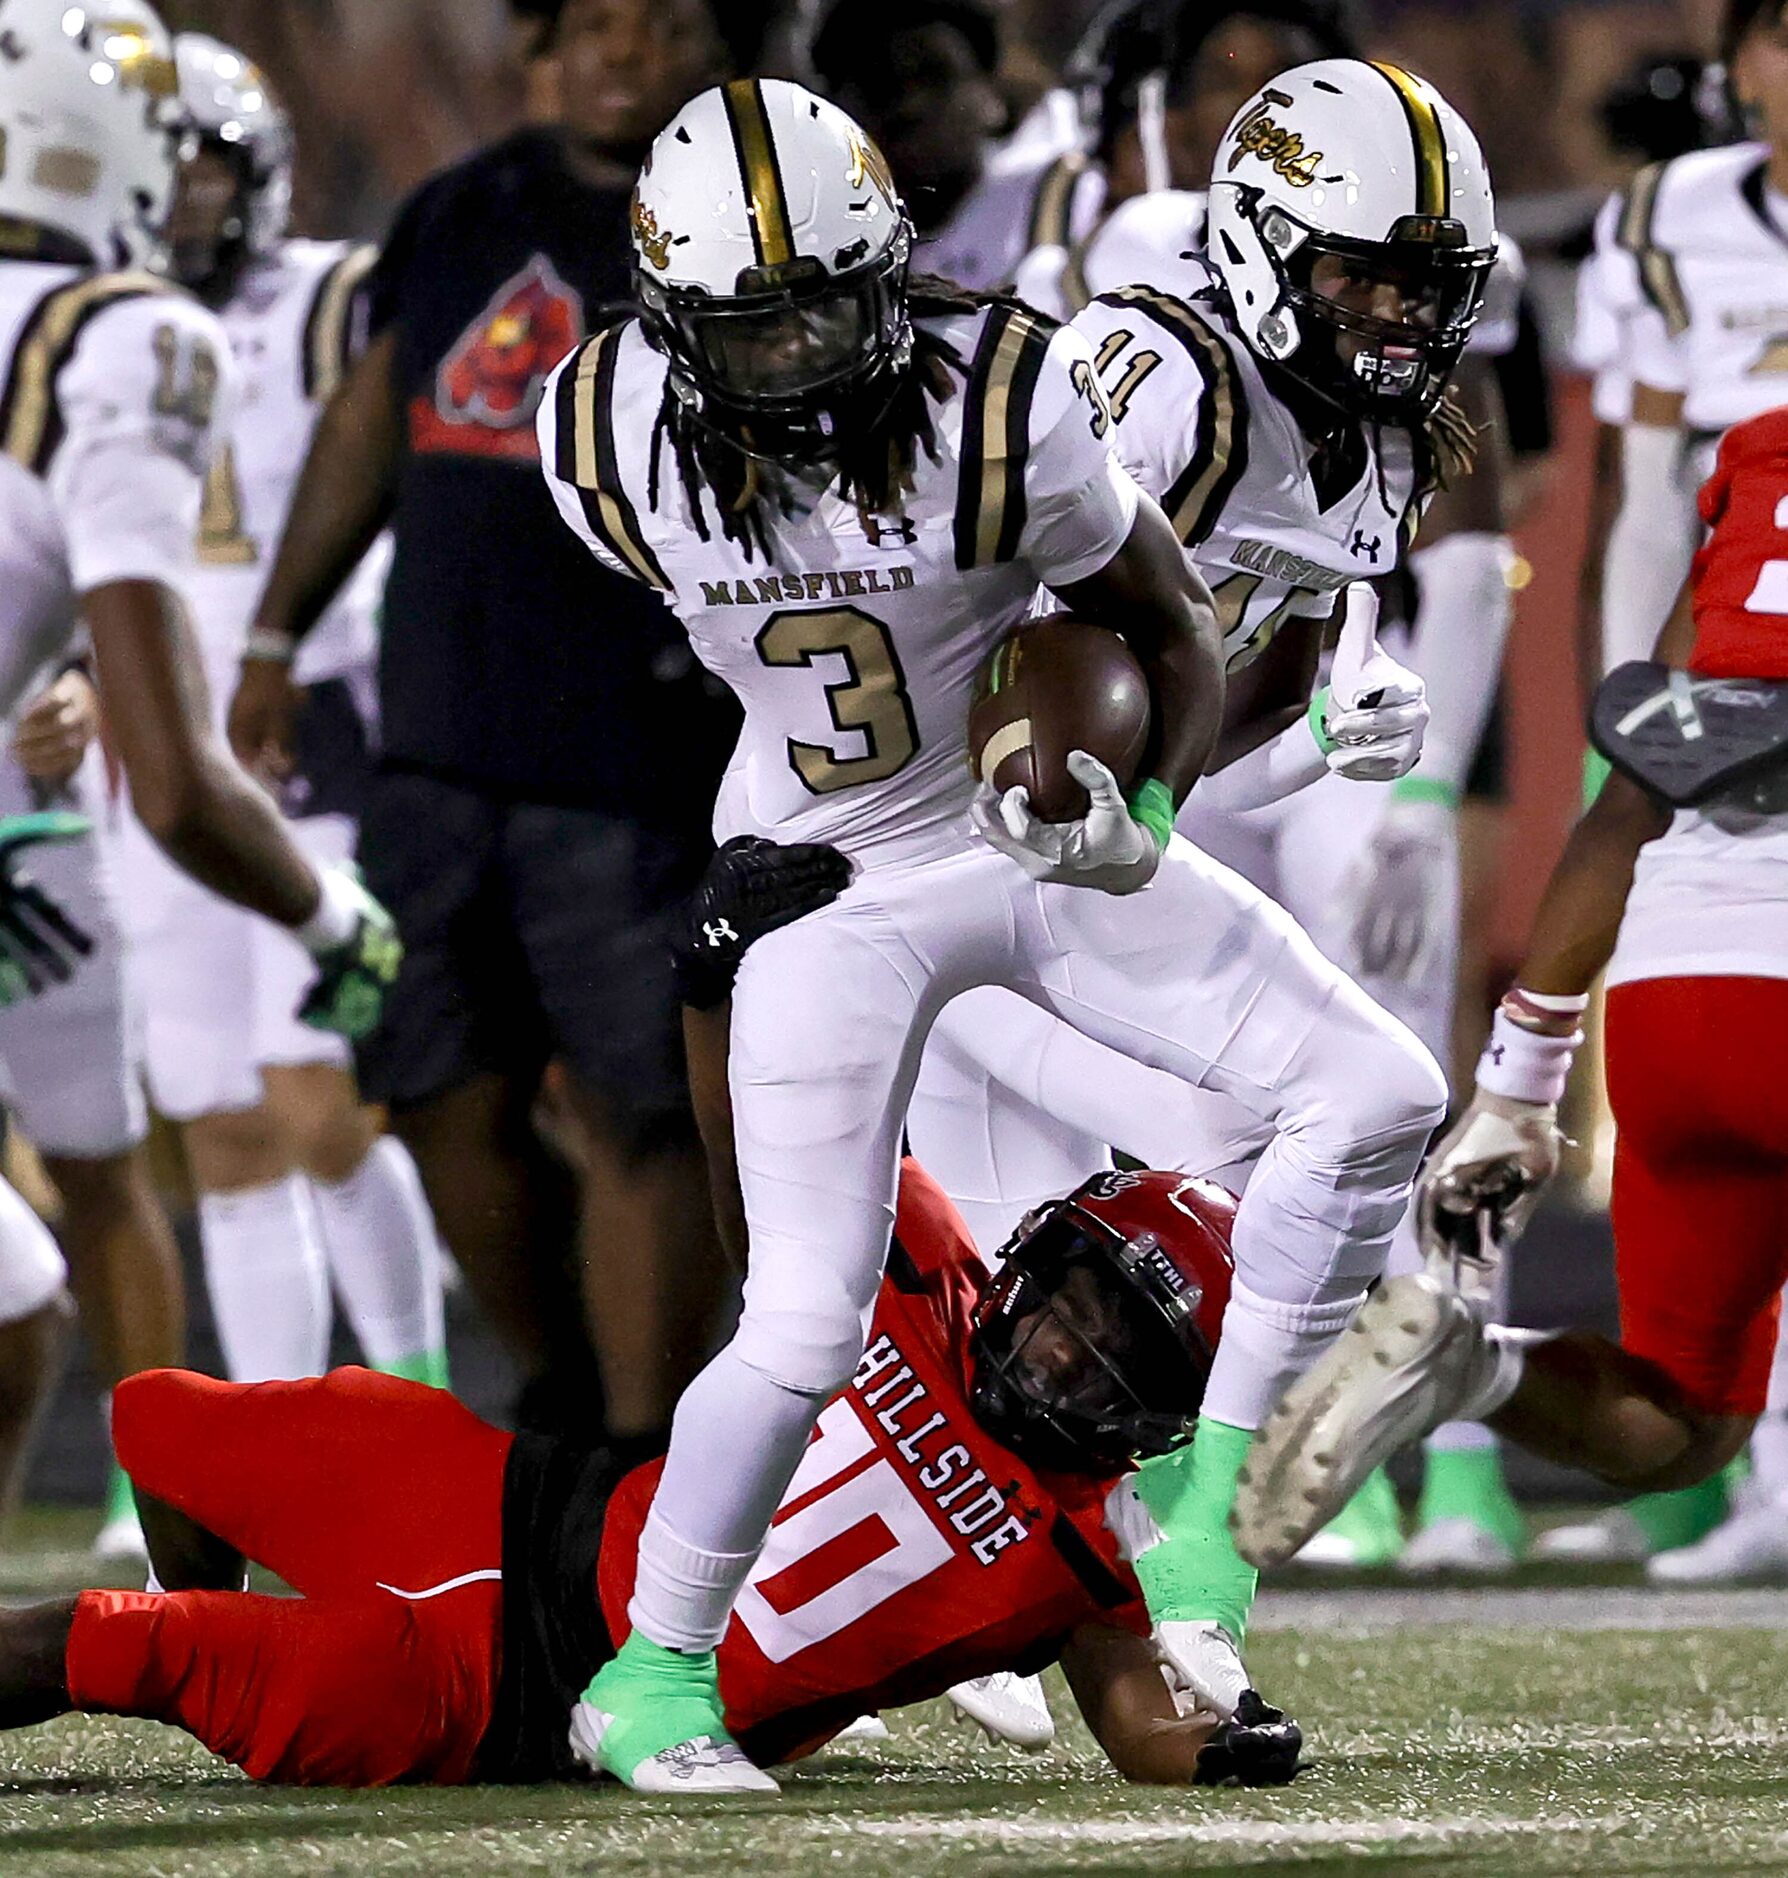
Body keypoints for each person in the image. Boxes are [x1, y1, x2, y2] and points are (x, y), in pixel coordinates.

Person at [537, 73, 1448, 1791]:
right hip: (830, 881)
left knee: (1377, 1090)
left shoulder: (1001, 396)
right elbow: (641, 678)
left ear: (894, 272)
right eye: (757, 326)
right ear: (668, 323)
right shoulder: (598, 440)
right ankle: (651, 1679)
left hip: (1030, 840)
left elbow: (1162, 613)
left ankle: (1195, 1537)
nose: (802, 355)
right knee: (804, 1311)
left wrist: (1147, 809)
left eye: (832, 307)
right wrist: (715, 855)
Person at [898, 53, 1511, 1569]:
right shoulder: (1158, 373)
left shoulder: (1373, 442)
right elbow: (998, 654)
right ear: (1256, 242)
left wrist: (1311, 731)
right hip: (919, 844)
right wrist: (1068, 790)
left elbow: (1230, 692)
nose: (1400, 319)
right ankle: (1233, 1505)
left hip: (1060, 859)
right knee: (1262, 1135)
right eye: (1363, 278)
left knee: (1026, 1258)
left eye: (1429, 287)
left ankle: (1145, 1553)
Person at [0, 1161, 1301, 1793]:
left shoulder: (1089, 1547)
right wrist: (740, 953)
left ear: (1171, 1404)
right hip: (515, 1497)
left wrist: (1234, 1750)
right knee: (158, 1417)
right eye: (1074, 1298)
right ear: (1036, 1249)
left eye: (1121, 1345)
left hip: (504, 1695)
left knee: (116, 1639)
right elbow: (775, 1103)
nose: (1070, 1341)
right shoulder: (919, 1260)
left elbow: (1139, 1726)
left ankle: (233, 1652)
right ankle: (250, 1629)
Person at [228, 0, 756, 1447]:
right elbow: (371, 415)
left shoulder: (753, 214)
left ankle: (647, 1453)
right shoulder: (465, 207)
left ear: (728, 48)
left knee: (643, 1104)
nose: (620, 53)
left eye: (660, 26)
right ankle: (570, 1394)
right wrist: (278, 625)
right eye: (590, 23)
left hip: (641, 750)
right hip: (441, 741)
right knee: (436, 1082)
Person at [1229, 399, 1788, 1573]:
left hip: (1678, 995)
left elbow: (1635, 786)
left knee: (1677, 1424)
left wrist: (1520, 1082)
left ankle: (1473, 1363)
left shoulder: (1759, 463)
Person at [0, 0, 402, 1500]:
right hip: (183, 781)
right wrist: (325, 910)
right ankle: (198, 1547)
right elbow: (173, 781)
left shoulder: (306, 298)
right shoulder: (121, 336)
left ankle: (210, 1524)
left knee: (44, 1270)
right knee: (53, 1262)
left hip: (178, 761)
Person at [108, 35, 449, 1411]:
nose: (182, 199)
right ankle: (277, 1462)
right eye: (158, 168)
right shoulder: (75, 318)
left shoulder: (335, 300)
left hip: (311, 724)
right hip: (147, 745)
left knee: (324, 1105)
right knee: (230, 1132)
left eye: (202, 168)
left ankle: (427, 1413)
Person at [807, 0, 1099, 290]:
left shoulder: (1066, 198)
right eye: (881, 86)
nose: (910, 107)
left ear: (991, 96)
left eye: (933, 75)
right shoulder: (839, 264)